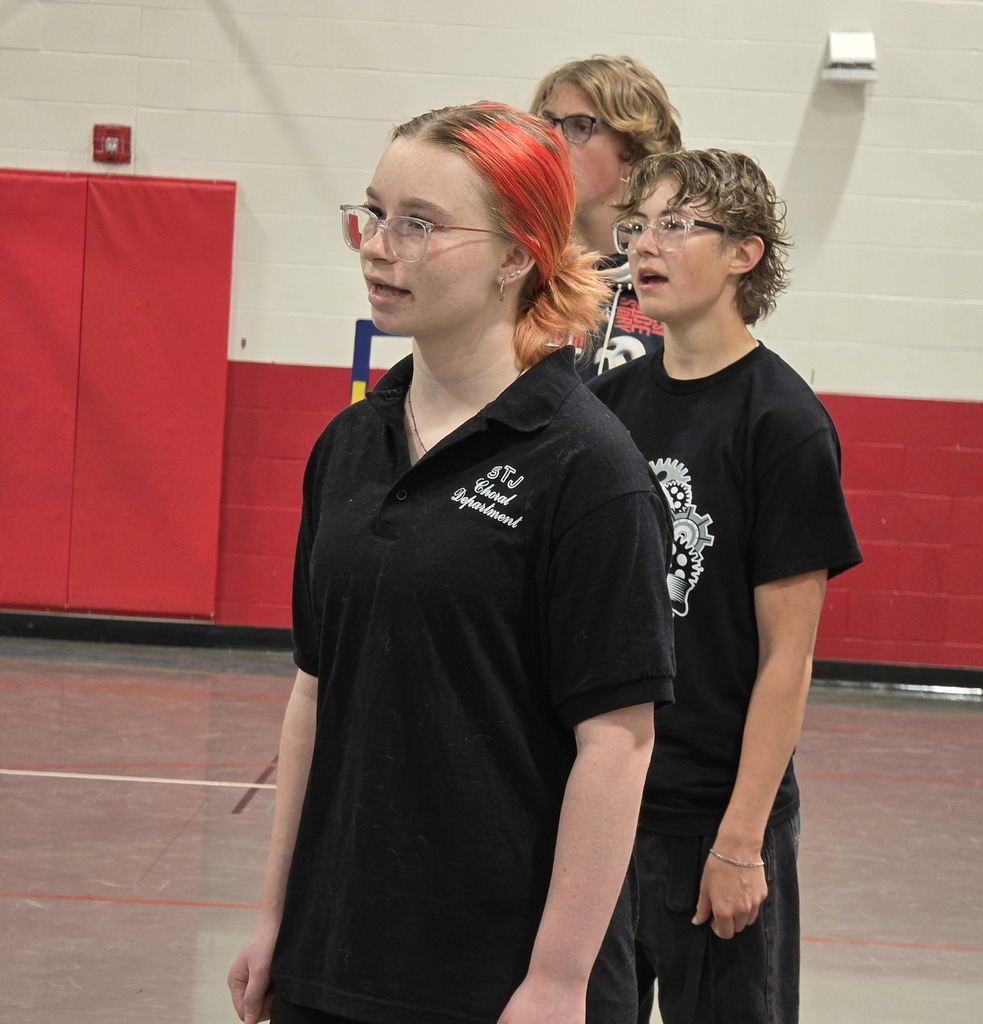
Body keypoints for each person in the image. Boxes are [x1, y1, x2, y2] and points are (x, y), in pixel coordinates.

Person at [227, 102, 677, 1024]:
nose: (377, 246)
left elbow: (617, 744)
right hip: (333, 962)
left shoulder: (590, 468)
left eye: (420, 224)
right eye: (374, 212)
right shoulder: (348, 445)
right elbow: (314, 691)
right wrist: (278, 916)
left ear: (516, 255)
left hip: (496, 983)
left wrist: (558, 980)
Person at [589, 149, 863, 1024]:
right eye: (638, 226)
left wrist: (741, 840)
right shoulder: (606, 407)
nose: (645, 246)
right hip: (606, 806)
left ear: (745, 253)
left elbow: (788, 659)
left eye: (676, 225)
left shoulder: (783, 424)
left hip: (717, 821)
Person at [529, 55, 681, 378]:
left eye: (579, 127)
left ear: (634, 150)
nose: (553, 141)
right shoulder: (519, 267)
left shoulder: (671, 277)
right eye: (547, 123)